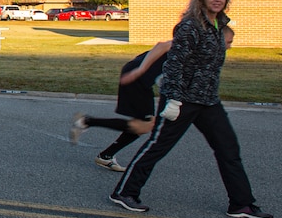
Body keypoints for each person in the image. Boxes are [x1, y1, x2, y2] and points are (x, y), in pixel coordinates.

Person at [109, 0, 272, 218]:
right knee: (157, 146)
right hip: (181, 100)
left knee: (229, 150)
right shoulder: (190, 26)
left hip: (208, 101)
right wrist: (173, 100)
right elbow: (174, 65)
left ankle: (241, 204)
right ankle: (124, 192)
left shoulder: (220, 25)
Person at [72, 27, 234, 172]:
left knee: (143, 125)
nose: (230, 46)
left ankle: (103, 149)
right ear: (218, 40)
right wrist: (141, 70)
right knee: (145, 125)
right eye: (228, 42)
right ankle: (89, 126)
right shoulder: (194, 44)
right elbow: (161, 46)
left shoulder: (203, 52)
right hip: (136, 77)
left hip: (141, 79)